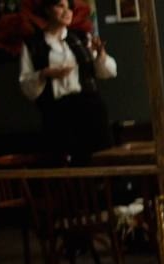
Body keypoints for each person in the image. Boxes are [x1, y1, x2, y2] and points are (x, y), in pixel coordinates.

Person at [18, 0, 117, 164]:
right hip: (57, 112)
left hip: (91, 108)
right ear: (47, 9)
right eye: (60, 6)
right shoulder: (32, 44)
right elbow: (26, 84)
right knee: (66, 164)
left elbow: (106, 72)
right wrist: (44, 73)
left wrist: (101, 54)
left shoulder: (82, 37)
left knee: (99, 161)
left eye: (70, 7)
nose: (67, 12)